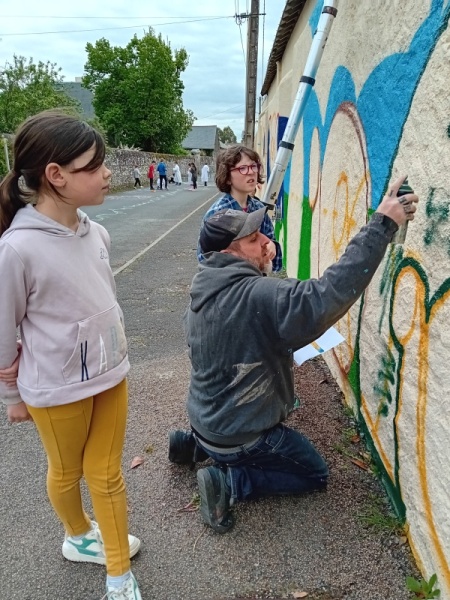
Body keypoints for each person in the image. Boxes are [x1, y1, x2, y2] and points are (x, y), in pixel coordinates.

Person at [168, 176, 419, 534]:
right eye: (253, 240)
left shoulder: (202, 288)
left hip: (205, 419)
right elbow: (327, 294)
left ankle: (193, 446)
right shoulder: (260, 295)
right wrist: (382, 224)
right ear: (228, 254)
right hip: (239, 437)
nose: (267, 243)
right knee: (313, 473)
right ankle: (231, 482)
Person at [0, 111, 142, 599]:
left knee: (106, 474)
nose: (107, 173)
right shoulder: (17, 250)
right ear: (55, 175)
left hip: (111, 373)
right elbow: (3, 330)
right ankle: (78, 536)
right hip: (56, 389)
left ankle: (119, 576)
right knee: (66, 471)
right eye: (94, 166)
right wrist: (11, 396)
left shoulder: (96, 232)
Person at [197, 144, 282, 272]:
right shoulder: (218, 214)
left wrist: (272, 246)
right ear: (227, 177)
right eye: (243, 168)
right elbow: (205, 259)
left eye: (253, 166)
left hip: (256, 277)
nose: (251, 172)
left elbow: (270, 239)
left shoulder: (259, 208)